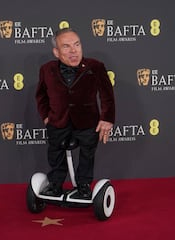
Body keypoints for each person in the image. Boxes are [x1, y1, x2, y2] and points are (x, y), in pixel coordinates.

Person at [35, 28, 115, 199]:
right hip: (57, 121)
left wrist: (107, 118)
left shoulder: (96, 66)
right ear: (56, 52)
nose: (74, 51)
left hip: (87, 122)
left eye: (77, 45)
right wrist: (46, 117)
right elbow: (41, 95)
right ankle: (55, 184)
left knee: (87, 154)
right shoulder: (46, 69)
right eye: (66, 47)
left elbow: (107, 95)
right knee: (55, 153)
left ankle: (84, 186)